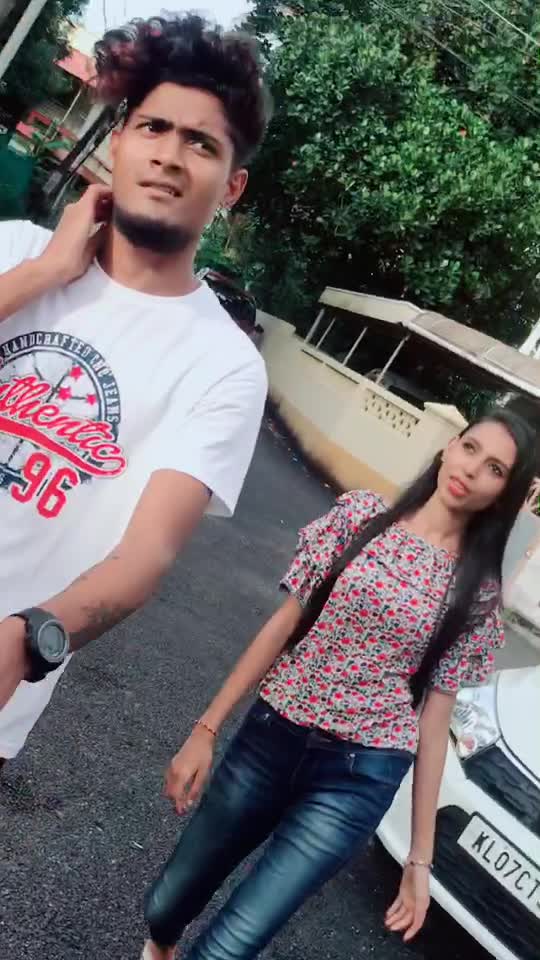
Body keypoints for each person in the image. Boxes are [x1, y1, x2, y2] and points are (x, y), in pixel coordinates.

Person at [141, 409, 536, 960]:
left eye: (495, 469)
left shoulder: (478, 594)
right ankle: (159, 946)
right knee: (167, 904)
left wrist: (419, 860)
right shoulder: (361, 517)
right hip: (272, 736)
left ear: (503, 495)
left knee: (231, 947)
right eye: (470, 448)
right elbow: (284, 625)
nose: (472, 469)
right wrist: (206, 729)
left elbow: (434, 721)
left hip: (359, 777)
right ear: (449, 447)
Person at [0, 14, 270, 766]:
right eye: (154, 127)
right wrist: (46, 275)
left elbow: (147, 554)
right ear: (118, 142)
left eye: (202, 143)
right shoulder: (15, 250)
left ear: (232, 187)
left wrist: (26, 639)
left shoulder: (224, 364)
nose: (170, 156)